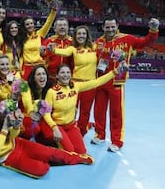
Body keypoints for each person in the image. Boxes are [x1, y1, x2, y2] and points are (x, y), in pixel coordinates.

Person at [0, 93, 94, 179]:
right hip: (8, 157)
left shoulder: (0, 117)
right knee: (41, 170)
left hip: (18, 144)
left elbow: (13, 136)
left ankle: (78, 158)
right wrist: (5, 128)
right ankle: (48, 158)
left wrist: (15, 126)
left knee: (50, 153)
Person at [91, 16, 160, 152]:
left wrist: (153, 30)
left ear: (117, 26)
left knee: (116, 113)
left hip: (117, 81)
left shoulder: (127, 39)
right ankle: (100, 135)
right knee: (99, 111)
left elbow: (145, 42)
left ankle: (117, 141)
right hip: (100, 81)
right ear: (103, 27)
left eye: (112, 27)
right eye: (107, 27)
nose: (110, 29)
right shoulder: (98, 42)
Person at [42, 63, 125, 154]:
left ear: (71, 74)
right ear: (57, 76)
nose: (65, 75)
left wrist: (115, 72)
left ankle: (64, 140)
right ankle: (52, 143)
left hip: (71, 126)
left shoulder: (76, 87)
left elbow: (97, 82)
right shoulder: (51, 92)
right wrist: (54, 128)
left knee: (81, 151)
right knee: (69, 151)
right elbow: (46, 113)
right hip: (58, 127)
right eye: (62, 73)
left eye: (68, 72)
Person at [49, 25, 97, 136]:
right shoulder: (73, 48)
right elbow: (64, 52)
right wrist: (53, 49)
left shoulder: (94, 48)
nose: (81, 36)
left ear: (87, 35)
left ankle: (81, 133)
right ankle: (70, 130)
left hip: (90, 84)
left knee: (85, 111)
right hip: (75, 83)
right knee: (72, 109)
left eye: (83, 34)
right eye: (78, 34)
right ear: (75, 36)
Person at [19, 0, 58, 80]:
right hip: (26, 69)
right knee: (25, 91)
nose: (30, 26)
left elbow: (49, 22)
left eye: (31, 23)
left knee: (40, 92)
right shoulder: (20, 37)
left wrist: (54, 10)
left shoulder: (39, 34)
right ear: (24, 26)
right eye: (27, 24)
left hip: (40, 68)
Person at [19, 65, 54, 145]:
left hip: (39, 118)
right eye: (38, 74)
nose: (42, 77)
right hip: (24, 118)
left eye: (43, 74)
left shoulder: (49, 89)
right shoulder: (25, 86)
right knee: (36, 128)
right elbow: (27, 101)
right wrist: (31, 111)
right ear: (33, 78)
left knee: (50, 133)